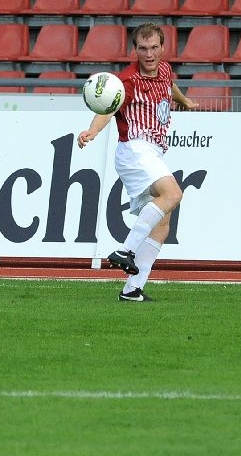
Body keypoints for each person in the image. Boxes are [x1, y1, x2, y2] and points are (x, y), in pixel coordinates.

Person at [77, 23, 198, 302]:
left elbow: (171, 87)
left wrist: (186, 101)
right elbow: (108, 108)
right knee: (173, 193)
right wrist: (92, 131)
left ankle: (132, 290)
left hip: (152, 152)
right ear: (135, 50)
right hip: (134, 148)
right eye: (143, 48)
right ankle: (126, 250)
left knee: (163, 223)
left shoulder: (165, 70)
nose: (149, 54)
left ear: (163, 48)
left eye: (154, 47)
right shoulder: (127, 82)